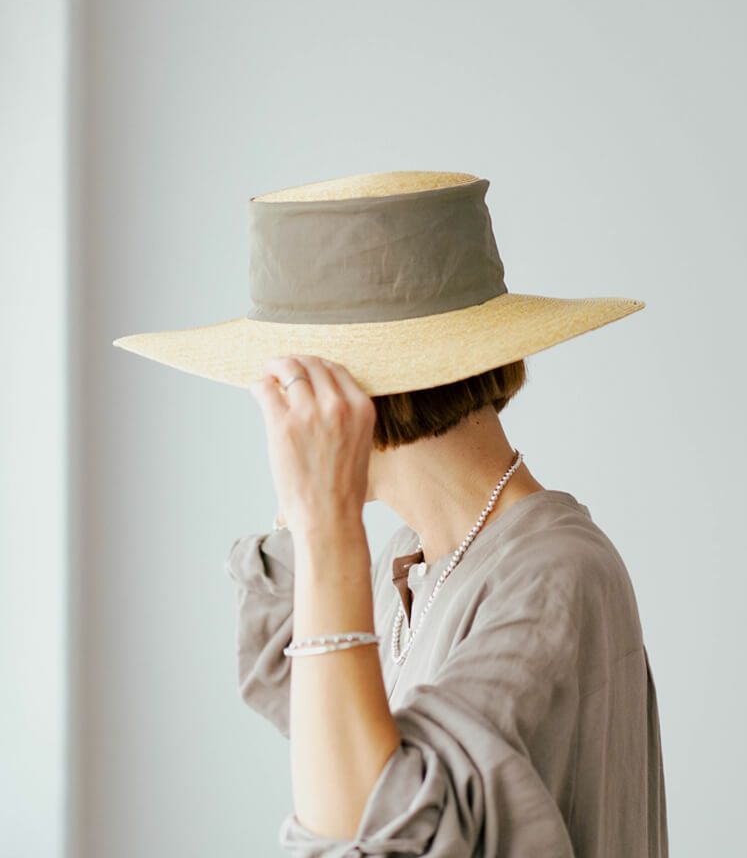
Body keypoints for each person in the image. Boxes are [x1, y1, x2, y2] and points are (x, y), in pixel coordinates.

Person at [115, 170, 668, 856]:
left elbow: (371, 831)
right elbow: (301, 699)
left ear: (353, 393)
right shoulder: (413, 559)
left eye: (291, 388)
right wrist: (311, 513)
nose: (283, 417)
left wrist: (328, 524)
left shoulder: (553, 573)